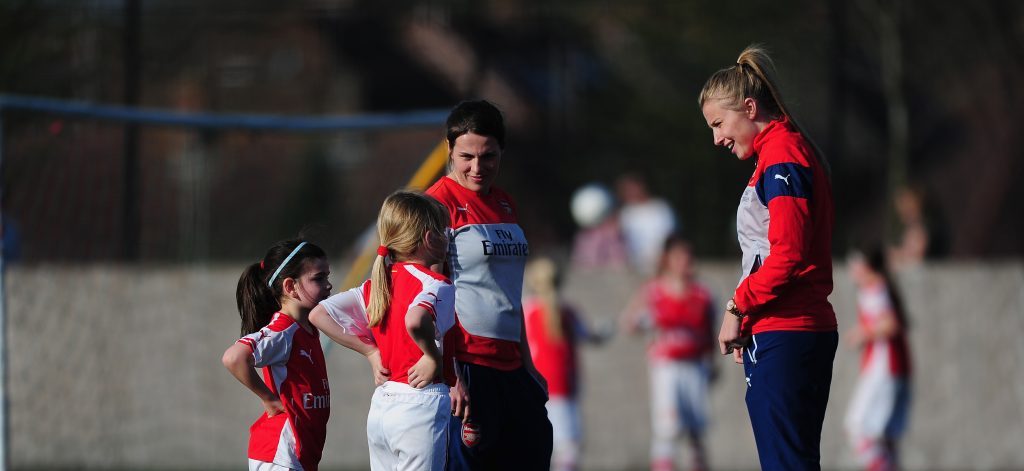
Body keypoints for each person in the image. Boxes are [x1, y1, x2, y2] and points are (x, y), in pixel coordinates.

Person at [698, 44, 838, 471]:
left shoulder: (782, 155)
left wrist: (739, 306)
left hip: (788, 331)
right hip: (784, 329)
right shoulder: (779, 154)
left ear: (750, 107)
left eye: (720, 123)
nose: (717, 138)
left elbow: (788, 254)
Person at [425, 99, 553, 470]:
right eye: (467, 156)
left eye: (489, 156)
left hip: (513, 366)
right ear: (449, 149)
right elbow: (427, 296)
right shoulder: (436, 206)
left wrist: (529, 365)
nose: (477, 167)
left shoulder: (505, 204)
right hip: (468, 366)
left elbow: (507, 291)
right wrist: (448, 375)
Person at [312, 190, 458, 471]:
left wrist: (370, 351)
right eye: (444, 230)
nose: (448, 236)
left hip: (382, 406)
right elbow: (416, 319)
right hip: (420, 404)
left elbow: (319, 314)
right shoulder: (437, 284)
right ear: (429, 239)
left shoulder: (377, 284)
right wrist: (431, 356)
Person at [221, 239, 334, 471]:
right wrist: (269, 399)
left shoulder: (309, 329)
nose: (328, 285)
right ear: (290, 287)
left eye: (327, 276)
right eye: (318, 278)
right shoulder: (284, 330)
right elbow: (234, 357)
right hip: (279, 453)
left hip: (298, 455)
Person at [620, 236, 716, 471]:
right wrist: (642, 322)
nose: (685, 262)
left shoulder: (703, 294)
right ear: (668, 260)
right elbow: (629, 323)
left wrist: (713, 363)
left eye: (688, 256)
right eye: (679, 257)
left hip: (695, 366)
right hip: (666, 367)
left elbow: (710, 332)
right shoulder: (654, 291)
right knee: (668, 428)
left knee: (696, 429)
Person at [523, 256, 609, 471]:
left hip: (535, 386)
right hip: (562, 385)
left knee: (541, 447)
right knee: (569, 447)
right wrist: (605, 331)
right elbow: (590, 336)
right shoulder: (567, 311)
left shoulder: (526, 309)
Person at [844, 246, 912, 471]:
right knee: (884, 438)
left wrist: (863, 333)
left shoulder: (876, 289)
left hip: (885, 369)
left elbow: (891, 324)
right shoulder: (874, 289)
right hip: (890, 368)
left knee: (859, 428)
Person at [616, 173, 677, 275]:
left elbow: (671, 236)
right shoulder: (625, 213)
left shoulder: (661, 208)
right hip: (633, 268)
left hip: (660, 267)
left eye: (633, 188)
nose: (631, 192)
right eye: (627, 190)